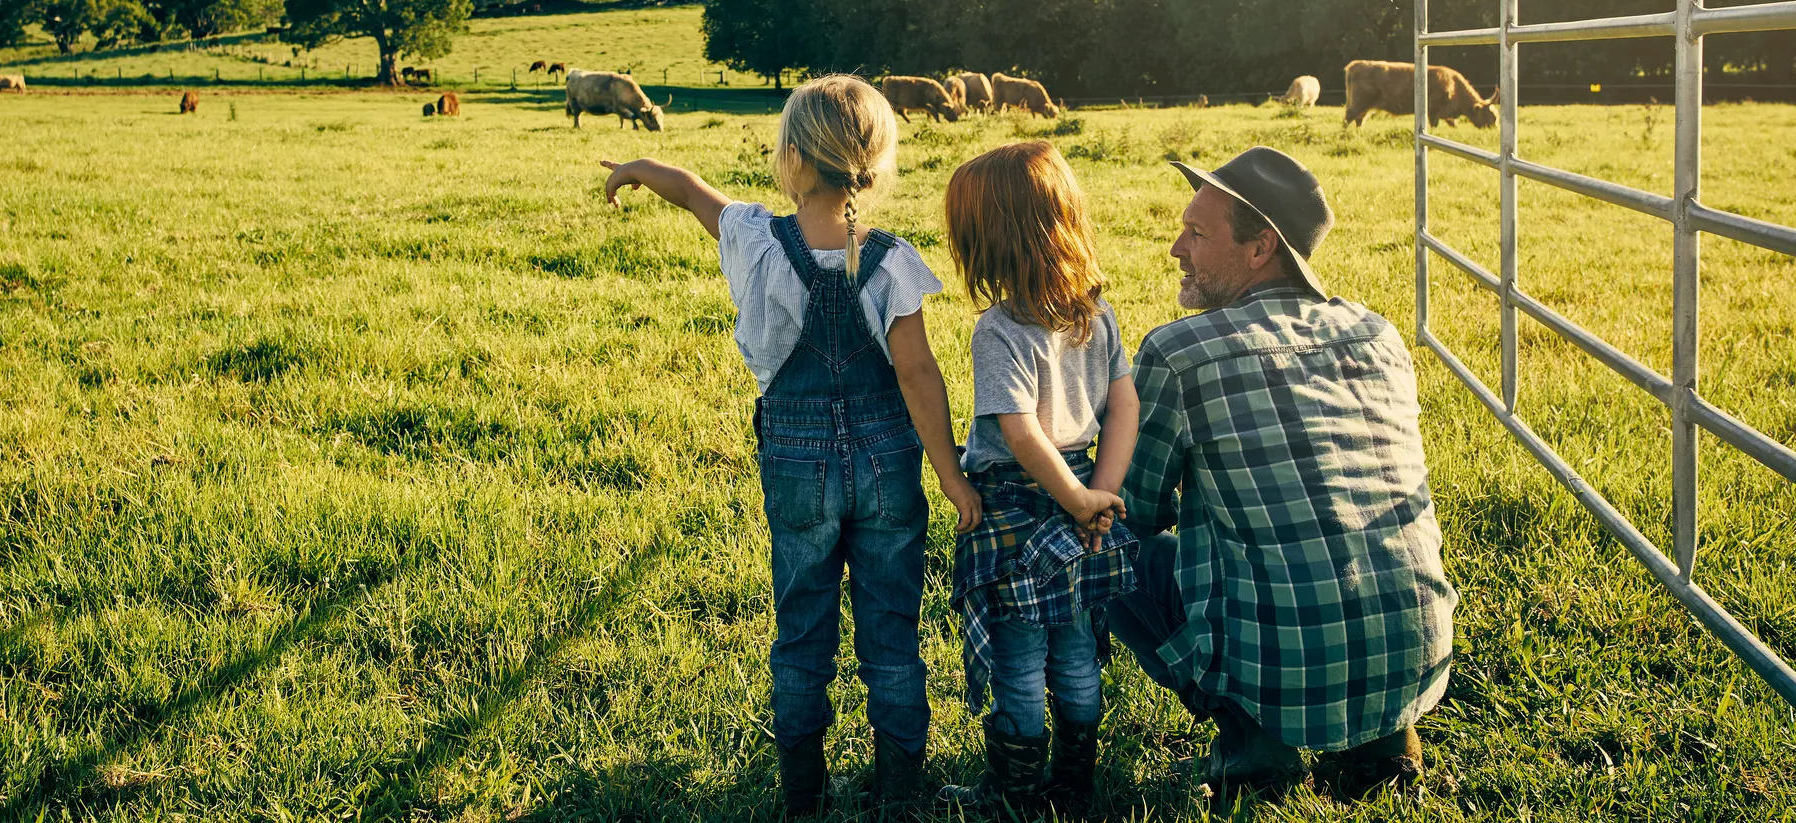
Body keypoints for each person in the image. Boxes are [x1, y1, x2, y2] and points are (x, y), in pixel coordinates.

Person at [598, 75, 981, 815]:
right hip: (887, 461)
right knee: (892, 634)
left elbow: (691, 192)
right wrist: (952, 475)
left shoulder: (753, 237)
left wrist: (637, 170)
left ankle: (803, 793)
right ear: (874, 160)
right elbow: (917, 372)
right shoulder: (892, 258)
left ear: (793, 156)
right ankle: (899, 791)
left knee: (801, 627)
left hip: (796, 461)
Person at [1107, 146, 1457, 803]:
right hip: (1415, 659)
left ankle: (1251, 742)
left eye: (1196, 233)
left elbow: (1131, 509)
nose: (1175, 248)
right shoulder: (1377, 334)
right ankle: (1380, 744)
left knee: (1096, 539)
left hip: (1282, 671)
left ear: (1260, 246)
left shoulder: (1179, 351)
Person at [935, 141, 1139, 816]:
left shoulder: (998, 329)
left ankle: (1015, 793)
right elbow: (1122, 405)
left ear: (987, 242)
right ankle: (1074, 786)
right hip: (1082, 494)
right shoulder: (1096, 310)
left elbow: (1020, 436)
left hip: (1019, 507)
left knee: (1018, 658)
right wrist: (1096, 495)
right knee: (1077, 646)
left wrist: (1078, 498)